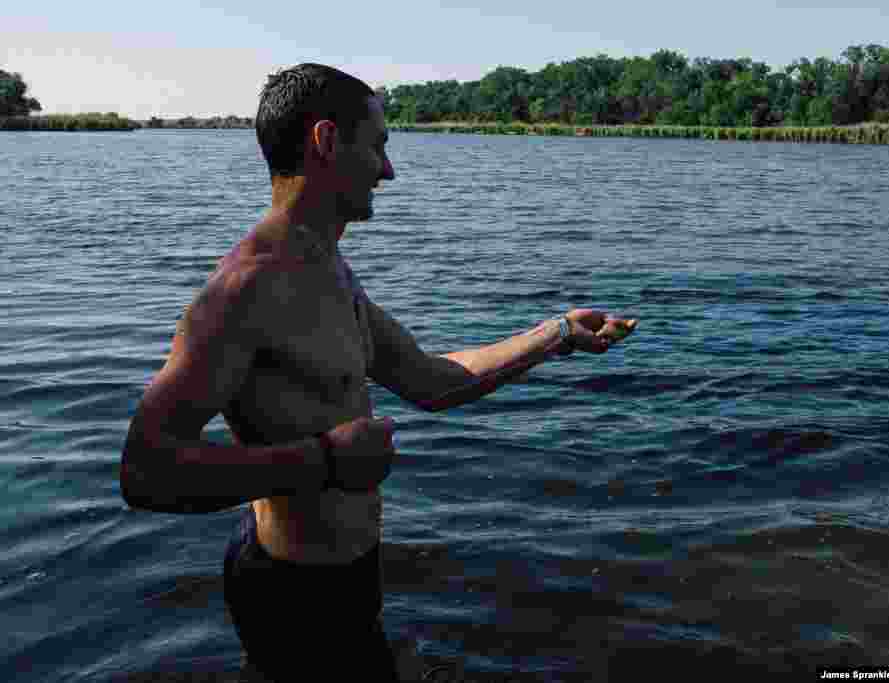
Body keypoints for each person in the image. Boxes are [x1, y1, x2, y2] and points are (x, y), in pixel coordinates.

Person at [119, 63, 638, 681]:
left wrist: (555, 336)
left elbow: (429, 377)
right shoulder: (246, 290)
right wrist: (324, 461)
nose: (389, 170)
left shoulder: (327, 268)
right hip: (294, 591)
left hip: (341, 579)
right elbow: (146, 467)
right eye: (379, 145)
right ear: (327, 143)